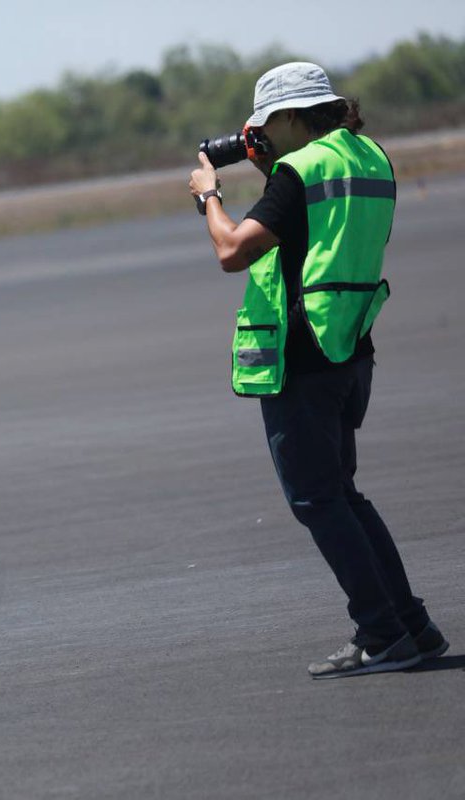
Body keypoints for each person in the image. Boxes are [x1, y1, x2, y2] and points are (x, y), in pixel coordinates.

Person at [188, 63, 448, 679]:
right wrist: (270, 174)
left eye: (265, 125)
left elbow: (232, 250)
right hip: (351, 346)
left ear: (289, 117)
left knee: (318, 500)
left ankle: (384, 634)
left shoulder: (297, 170)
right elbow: (320, 229)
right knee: (343, 496)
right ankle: (411, 626)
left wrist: (208, 196)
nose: (260, 137)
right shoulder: (366, 155)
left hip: (303, 359)